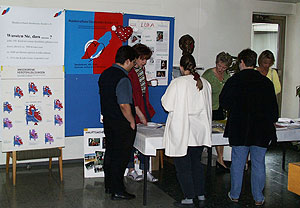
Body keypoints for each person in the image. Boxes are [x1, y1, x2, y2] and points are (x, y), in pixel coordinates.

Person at [219, 49, 278, 206]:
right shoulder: (266, 83)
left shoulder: (234, 81)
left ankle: (235, 194)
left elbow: (224, 102)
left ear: (242, 62)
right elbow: (273, 110)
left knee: (238, 162)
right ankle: (258, 197)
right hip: (261, 130)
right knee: (259, 163)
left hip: (240, 129)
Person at [161, 54, 212, 207]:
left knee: (183, 167)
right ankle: (200, 193)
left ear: (181, 68)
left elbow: (167, 105)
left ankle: (189, 196)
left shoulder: (178, 83)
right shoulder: (205, 83)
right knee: (196, 164)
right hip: (199, 132)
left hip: (182, 130)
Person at [98, 45, 138, 200]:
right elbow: (124, 104)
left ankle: (109, 185)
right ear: (127, 61)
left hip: (108, 121)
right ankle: (118, 190)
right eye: (133, 62)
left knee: (110, 154)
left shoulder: (105, 74)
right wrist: (132, 121)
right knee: (120, 158)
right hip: (122, 124)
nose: (134, 65)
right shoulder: (123, 78)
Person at [126, 43, 158, 183]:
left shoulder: (141, 70)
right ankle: (131, 170)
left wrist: (148, 83)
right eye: (142, 59)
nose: (144, 62)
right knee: (132, 140)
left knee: (146, 139)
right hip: (135, 108)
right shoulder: (130, 71)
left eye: (145, 59)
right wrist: (139, 113)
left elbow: (141, 88)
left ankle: (146, 169)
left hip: (144, 104)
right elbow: (132, 94)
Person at [202, 52, 232, 171]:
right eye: (219, 66)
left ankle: (220, 158)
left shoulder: (227, 76)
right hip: (208, 107)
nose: (221, 69)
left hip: (220, 108)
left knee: (220, 133)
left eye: (224, 67)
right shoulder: (208, 75)